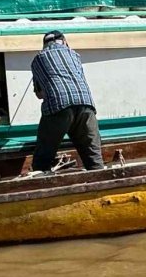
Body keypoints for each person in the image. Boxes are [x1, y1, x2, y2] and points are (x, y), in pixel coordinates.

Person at [30, 31, 103, 172]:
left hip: (58, 106)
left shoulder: (38, 59)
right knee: (94, 159)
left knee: (42, 160)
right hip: (85, 104)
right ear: (64, 41)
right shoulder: (74, 55)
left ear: (44, 44)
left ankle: (43, 185)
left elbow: (40, 94)